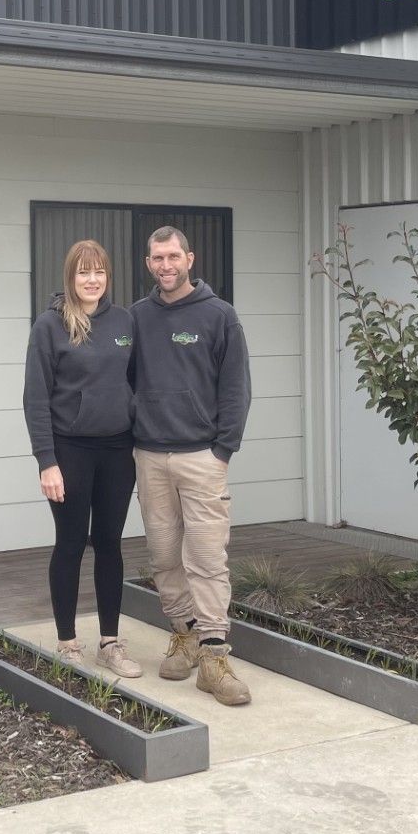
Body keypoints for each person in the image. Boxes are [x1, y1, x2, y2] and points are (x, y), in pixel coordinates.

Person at [130, 225, 253, 706]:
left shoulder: (219, 316)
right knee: (163, 556)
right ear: (149, 264)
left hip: (202, 456)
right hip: (149, 455)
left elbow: (236, 387)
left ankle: (215, 657)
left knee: (206, 558)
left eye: (173, 256)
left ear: (190, 259)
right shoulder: (136, 318)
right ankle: (183, 634)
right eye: (157, 258)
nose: (166, 265)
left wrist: (223, 449)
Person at [22, 238, 143, 678]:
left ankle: (110, 642)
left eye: (100, 272)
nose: (92, 280)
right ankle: (68, 643)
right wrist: (46, 461)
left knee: (110, 542)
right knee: (71, 543)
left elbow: (134, 381)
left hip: (117, 449)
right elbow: (35, 399)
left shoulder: (124, 321)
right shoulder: (50, 326)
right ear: (70, 277)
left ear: (107, 276)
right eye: (83, 272)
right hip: (69, 450)